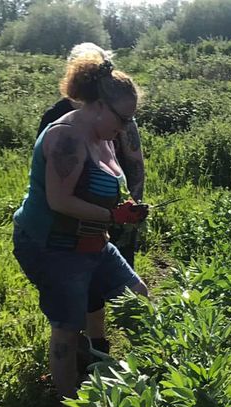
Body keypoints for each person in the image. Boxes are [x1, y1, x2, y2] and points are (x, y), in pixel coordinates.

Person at [12, 52, 149, 407]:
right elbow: (60, 201)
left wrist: (127, 206)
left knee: (139, 293)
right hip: (52, 245)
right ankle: (68, 406)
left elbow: (107, 186)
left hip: (92, 240)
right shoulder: (65, 137)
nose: (125, 128)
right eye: (123, 118)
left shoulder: (104, 136)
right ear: (99, 105)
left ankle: (143, 364)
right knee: (67, 326)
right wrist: (112, 216)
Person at [38, 43, 146, 282]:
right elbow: (52, 184)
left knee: (119, 283)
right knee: (80, 289)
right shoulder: (57, 119)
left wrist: (133, 204)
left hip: (115, 209)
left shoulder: (121, 115)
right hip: (70, 224)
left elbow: (135, 164)